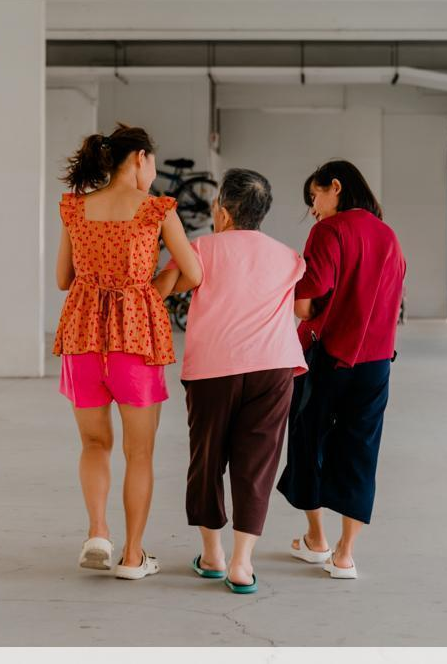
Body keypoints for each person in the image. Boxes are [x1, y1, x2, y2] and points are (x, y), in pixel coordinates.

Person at [53, 123, 201, 580]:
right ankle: (133, 556)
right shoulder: (156, 209)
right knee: (140, 454)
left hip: (82, 335)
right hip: (135, 339)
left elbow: (64, 279)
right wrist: (152, 287)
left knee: (94, 443)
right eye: (152, 162)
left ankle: (98, 532)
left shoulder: (76, 209)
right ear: (140, 158)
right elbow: (193, 273)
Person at [156, 169, 307, 594]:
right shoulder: (289, 257)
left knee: (207, 459)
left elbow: (166, 287)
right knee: (256, 463)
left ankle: (213, 555)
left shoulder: (200, 248)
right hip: (274, 368)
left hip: (212, 371)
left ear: (221, 211)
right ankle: (242, 564)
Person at [276, 159, 406, 580]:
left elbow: (306, 299)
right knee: (361, 449)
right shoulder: (389, 237)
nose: (313, 208)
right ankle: (346, 555)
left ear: (336, 187)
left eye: (314, 197)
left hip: (328, 357)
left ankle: (316, 539)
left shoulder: (329, 231)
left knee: (307, 439)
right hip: (376, 363)